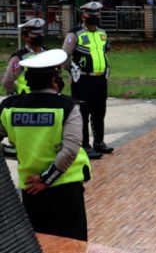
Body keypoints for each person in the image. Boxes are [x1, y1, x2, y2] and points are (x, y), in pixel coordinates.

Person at [0, 49, 91, 241]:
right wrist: (46, 179)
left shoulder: (9, 107)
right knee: (71, 245)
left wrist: (12, 152)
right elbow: (70, 150)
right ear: (54, 81)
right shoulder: (67, 107)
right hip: (64, 188)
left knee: (39, 243)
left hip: (30, 188)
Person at [63, 2, 111, 160]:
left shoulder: (102, 33)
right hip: (83, 80)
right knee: (82, 114)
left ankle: (99, 142)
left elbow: (104, 51)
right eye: (91, 14)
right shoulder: (74, 34)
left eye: (97, 14)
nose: (95, 17)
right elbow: (65, 56)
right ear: (83, 15)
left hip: (100, 79)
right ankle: (84, 145)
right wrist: (71, 71)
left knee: (99, 112)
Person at [3, 18, 47, 95]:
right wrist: (17, 97)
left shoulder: (48, 54)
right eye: (35, 34)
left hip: (48, 99)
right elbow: (8, 82)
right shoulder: (19, 58)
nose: (39, 36)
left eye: (40, 33)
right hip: (27, 99)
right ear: (25, 37)